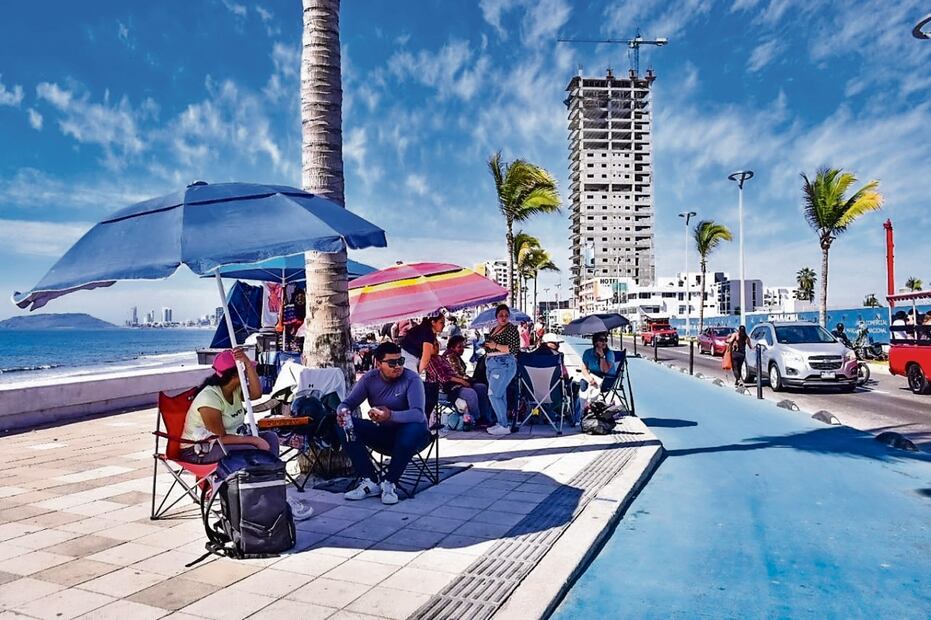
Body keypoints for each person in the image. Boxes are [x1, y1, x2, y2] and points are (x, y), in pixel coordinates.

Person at [337, 342, 431, 505]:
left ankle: (389, 482)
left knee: (413, 429)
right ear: (379, 363)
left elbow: (418, 415)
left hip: (412, 437)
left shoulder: (412, 379)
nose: (398, 366)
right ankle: (370, 480)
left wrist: (390, 415)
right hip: (384, 433)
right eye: (392, 363)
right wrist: (342, 412)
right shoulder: (369, 379)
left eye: (400, 361)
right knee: (343, 424)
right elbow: (348, 403)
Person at [180, 348, 279, 463]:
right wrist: (254, 440)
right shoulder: (209, 399)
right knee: (252, 449)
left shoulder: (234, 389)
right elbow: (219, 438)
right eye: (246, 370)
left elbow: (256, 394)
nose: (248, 373)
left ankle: (272, 470)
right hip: (199, 450)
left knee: (270, 437)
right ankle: (264, 470)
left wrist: (248, 364)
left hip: (223, 442)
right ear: (235, 375)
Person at [439, 335, 494, 426]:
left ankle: (484, 416)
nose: (462, 349)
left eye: (463, 347)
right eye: (459, 347)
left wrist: (471, 380)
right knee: (470, 393)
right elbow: (456, 374)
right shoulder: (450, 356)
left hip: (460, 383)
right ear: (452, 347)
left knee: (482, 388)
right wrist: (470, 380)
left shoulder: (455, 355)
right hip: (451, 387)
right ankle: (477, 418)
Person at [483, 304, 520, 436]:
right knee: (500, 394)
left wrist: (495, 345)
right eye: (501, 315)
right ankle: (501, 422)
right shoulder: (494, 329)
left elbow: (514, 348)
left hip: (503, 363)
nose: (504, 318)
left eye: (506, 315)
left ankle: (504, 424)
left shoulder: (511, 329)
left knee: (493, 394)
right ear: (496, 317)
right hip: (492, 363)